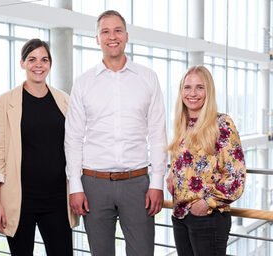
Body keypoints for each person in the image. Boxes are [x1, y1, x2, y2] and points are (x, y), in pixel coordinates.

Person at [65, 10, 167, 256]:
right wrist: (75, 186)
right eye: (105, 31)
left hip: (138, 184)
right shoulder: (83, 82)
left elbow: (157, 132)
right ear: (97, 39)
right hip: (93, 185)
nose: (112, 36)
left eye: (117, 30)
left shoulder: (148, 78)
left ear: (126, 36)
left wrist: (157, 182)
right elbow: (74, 137)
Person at [0, 38, 78, 256]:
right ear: (22, 63)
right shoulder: (4, 102)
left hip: (57, 199)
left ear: (50, 64)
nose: (39, 64)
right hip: (20, 200)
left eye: (44, 59)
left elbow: (75, 146)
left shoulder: (64, 100)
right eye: (32, 59)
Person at [167, 65, 246, 256]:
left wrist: (206, 204)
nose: (192, 93)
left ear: (208, 92)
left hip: (208, 216)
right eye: (187, 87)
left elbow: (235, 177)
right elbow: (185, 162)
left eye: (199, 87)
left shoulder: (222, 123)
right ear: (181, 91)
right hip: (180, 214)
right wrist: (172, 174)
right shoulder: (182, 124)